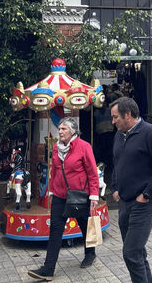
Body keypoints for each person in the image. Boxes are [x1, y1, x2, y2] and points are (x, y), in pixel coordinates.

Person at [28, 117, 99, 281]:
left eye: (64, 129)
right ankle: (48, 269)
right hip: (60, 195)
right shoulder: (56, 148)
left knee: (85, 224)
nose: (60, 132)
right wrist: (51, 190)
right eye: (59, 129)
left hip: (80, 194)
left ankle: (91, 253)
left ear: (73, 131)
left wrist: (94, 194)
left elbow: (92, 172)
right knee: (55, 230)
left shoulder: (84, 147)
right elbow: (55, 171)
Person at [110, 97, 152, 283]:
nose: (113, 122)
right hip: (125, 202)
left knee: (131, 253)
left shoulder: (151, 134)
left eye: (115, 117)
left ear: (128, 114)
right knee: (137, 253)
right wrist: (115, 187)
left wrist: (146, 194)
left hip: (144, 203)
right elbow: (117, 162)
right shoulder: (120, 134)